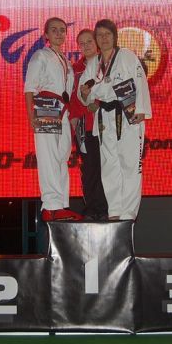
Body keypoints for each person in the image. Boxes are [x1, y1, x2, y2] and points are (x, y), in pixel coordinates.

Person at [78, 19, 152, 220]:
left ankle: (128, 213)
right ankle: (114, 211)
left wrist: (142, 109)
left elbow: (140, 81)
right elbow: (83, 93)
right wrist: (85, 94)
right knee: (109, 165)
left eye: (107, 34)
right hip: (105, 117)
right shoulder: (93, 63)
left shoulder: (127, 56)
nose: (103, 38)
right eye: (99, 35)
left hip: (128, 114)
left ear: (115, 37)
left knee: (130, 164)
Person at [24, 17, 82, 222]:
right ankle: (50, 206)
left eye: (62, 30)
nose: (59, 33)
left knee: (62, 156)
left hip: (64, 109)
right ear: (46, 35)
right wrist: (31, 116)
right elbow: (29, 88)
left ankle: (61, 204)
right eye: (54, 30)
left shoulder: (66, 60)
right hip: (46, 105)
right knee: (48, 156)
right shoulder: (40, 55)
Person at [69, 29, 108, 220]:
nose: (86, 46)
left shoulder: (107, 63)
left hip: (107, 125)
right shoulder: (75, 69)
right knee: (90, 168)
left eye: (89, 41)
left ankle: (109, 208)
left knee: (107, 167)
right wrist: (74, 122)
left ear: (97, 42)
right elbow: (72, 99)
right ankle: (93, 209)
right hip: (85, 126)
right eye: (82, 43)